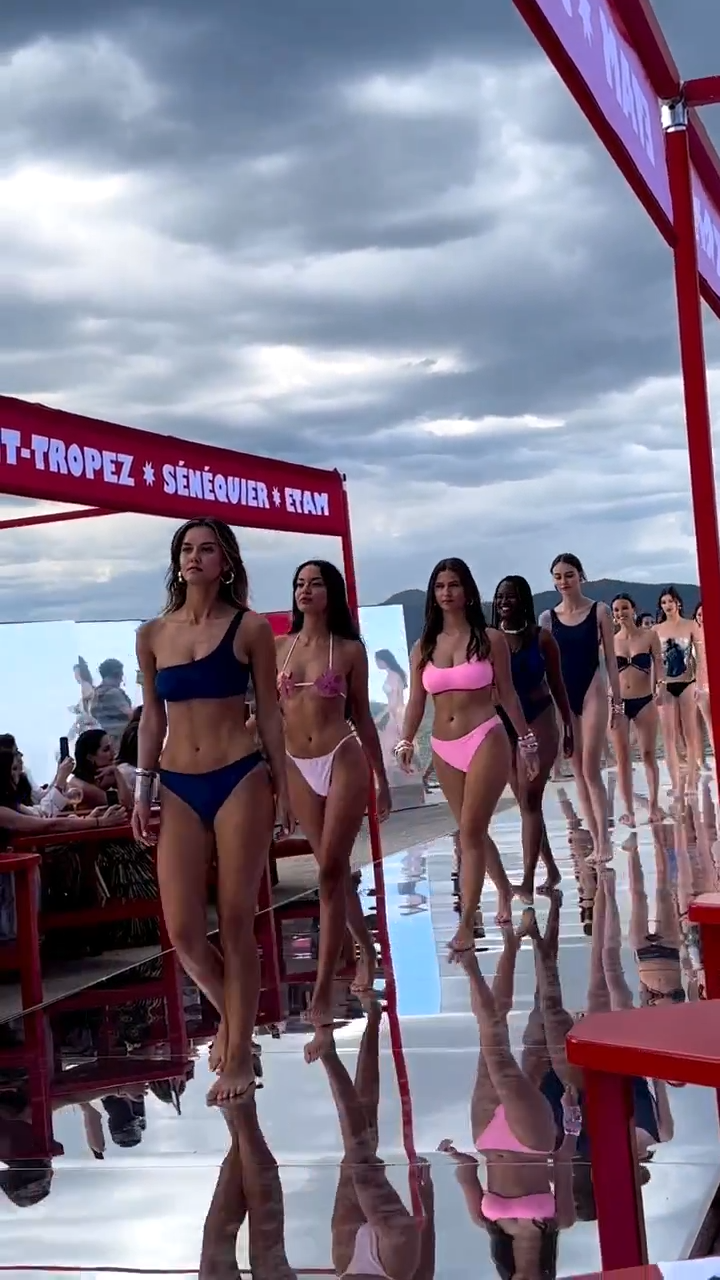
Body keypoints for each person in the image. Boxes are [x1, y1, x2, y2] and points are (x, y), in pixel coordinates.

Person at [131, 517, 291, 1106]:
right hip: (176, 783)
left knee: (237, 919)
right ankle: (236, 1020)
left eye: (206, 549)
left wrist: (283, 784)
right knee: (183, 932)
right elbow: (152, 718)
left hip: (239, 775)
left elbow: (269, 712)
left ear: (225, 563)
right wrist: (142, 789)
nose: (194, 557)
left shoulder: (250, 628)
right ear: (177, 562)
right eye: (186, 549)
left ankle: (240, 1049)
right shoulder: (152, 634)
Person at [396, 559, 539, 956]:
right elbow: (416, 701)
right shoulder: (424, 646)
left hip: (485, 737)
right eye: (440, 586)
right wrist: (406, 741)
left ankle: (466, 924)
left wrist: (527, 742)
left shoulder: (489, 639)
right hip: (443, 746)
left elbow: (507, 694)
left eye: (454, 585)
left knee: (470, 834)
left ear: (468, 591)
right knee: (469, 829)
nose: (447, 592)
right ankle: (504, 890)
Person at [276, 560, 390, 1057]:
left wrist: (382, 777)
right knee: (333, 872)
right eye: (300, 583)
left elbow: (361, 714)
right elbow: (268, 718)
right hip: (295, 763)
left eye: (315, 583)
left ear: (331, 593)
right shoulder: (279, 648)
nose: (306, 590)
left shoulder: (347, 650)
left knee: (329, 871)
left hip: (342, 754)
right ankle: (364, 947)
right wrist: (278, 788)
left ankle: (323, 988)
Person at [491, 576, 573, 901]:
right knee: (528, 804)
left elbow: (558, 684)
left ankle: (526, 880)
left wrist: (569, 726)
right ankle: (551, 868)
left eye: (510, 596)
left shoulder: (542, 638)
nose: (504, 602)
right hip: (503, 722)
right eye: (500, 596)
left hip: (539, 716)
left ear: (523, 600)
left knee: (529, 797)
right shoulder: (490, 638)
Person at [539, 554, 620, 865]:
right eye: (558, 576)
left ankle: (604, 840)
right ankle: (595, 839)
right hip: (564, 696)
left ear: (580, 576)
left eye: (569, 575)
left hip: (592, 690)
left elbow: (610, 659)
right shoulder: (548, 618)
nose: (564, 581)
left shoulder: (599, 611)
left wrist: (616, 700)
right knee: (577, 772)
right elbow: (546, 668)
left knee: (590, 769)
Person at [610, 594, 663, 825]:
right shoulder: (611, 641)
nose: (620, 613)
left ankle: (653, 806)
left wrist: (660, 685)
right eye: (616, 610)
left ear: (634, 609)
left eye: (624, 608)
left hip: (644, 700)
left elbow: (659, 663)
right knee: (622, 758)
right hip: (619, 702)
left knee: (648, 754)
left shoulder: (649, 636)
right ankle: (629, 811)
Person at [0, 749, 125, 844]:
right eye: (13, 769)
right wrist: (99, 822)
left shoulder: (12, 805)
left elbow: (40, 816)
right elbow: (49, 824)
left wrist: (86, 820)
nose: (19, 774)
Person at [654, 586, 701, 800]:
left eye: (670, 601)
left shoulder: (691, 625)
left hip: (687, 682)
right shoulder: (656, 630)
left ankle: (691, 781)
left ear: (678, 603)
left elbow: (700, 657)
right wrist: (656, 686)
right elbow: (655, 661)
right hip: (666, 684)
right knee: (669, 736)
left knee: (690, 734)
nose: (667, 606)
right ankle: (675, 783)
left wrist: (700, 683)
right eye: (663, 603)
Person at [71, 729, 134, 811]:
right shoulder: (81, 785)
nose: (113, 753)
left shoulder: (108, 775)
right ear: (90, 757)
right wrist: (117, 773)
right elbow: (125, 805)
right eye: (106, 749)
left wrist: (116, 773)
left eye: (112, 747)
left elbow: (131, 802)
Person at [90, 659, 133, 746]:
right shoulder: (113, 693)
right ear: (115, 675)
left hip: (108, 740)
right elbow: (130, 715)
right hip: (123, 740)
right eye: (120, 676)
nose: (121, 680)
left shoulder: (96, 694)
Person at [693, 602, 714, 764]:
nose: (702, 617)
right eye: (699, 614)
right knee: (709, 725)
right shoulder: (692, 636)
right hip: (701, 687)